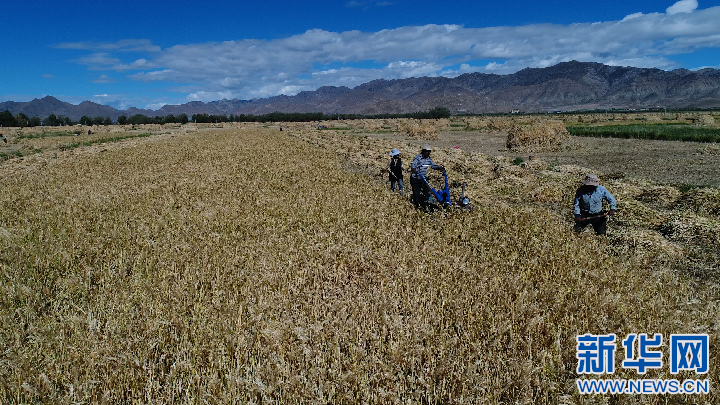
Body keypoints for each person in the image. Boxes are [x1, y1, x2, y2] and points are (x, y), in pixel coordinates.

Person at [410, 144, 444, 209]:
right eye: (427, 151)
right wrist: (413, 169)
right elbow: (413, 165)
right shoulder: (418, 158)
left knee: (427, 192)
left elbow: (432, 166)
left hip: (424, 179)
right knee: (416, 193)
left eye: (429, 152)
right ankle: (417, 206)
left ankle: (426, 204)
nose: (428, 153)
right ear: (423, 151)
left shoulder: (429, 159)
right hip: (415, 179)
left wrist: (439, 167)